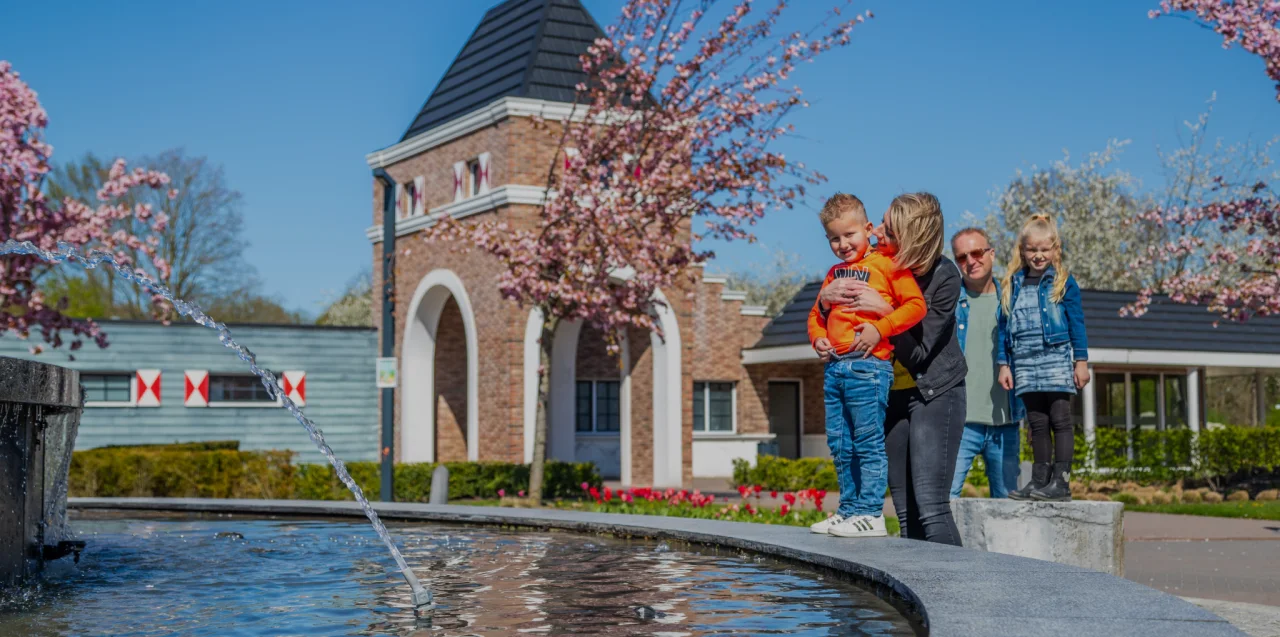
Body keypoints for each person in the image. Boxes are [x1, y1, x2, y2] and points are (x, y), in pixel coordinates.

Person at [817, 192, 968, 546]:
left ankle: (956, 588)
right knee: (904, 510)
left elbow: (920, 351)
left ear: (911, 235)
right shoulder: (881, 263)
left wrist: (883, 312)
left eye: (889, 227)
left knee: (930, 505)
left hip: (935, 392)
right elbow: (839, 311)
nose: (879, 230)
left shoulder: (945, 277)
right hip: (892, 393)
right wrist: (825, 307)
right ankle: (920, 591)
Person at [806, 193, 926, 539]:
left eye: (850, 235)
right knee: (841, 444)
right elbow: (816, 317)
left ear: (868, 229)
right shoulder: (832, 275)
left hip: (868, 367)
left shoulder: (888, 265)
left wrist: (880, 328)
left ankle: (872, 513)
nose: (842, 244)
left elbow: (916, 306)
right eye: (834, 238)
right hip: (835, 367)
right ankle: (848, 510)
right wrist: (818, 339)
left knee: (867, 440)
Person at [998, 214, 1090, 502]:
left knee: (1059, 419)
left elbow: (1077, 322)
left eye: (1044, 249)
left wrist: (1081, 361)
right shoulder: (1013, 284)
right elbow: (1002, 327)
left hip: (1056, 357)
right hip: (1024, 361)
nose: (1038, 256)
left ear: (1055, 249)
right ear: (1022, 250)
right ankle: (1039, 481)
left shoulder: (1062, 282)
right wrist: (1004, 363)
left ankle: (1060, 483)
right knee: (1036, 422)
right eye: (1032, 250)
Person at [949, 228, 1025, 500]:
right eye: (962, 256)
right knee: (945, 502)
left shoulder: (1015, 300)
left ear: (991, 254)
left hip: (1005, 423)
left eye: (977, 252)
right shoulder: (948, 302)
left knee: (1007, 506)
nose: (971, 261)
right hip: (960, 424)